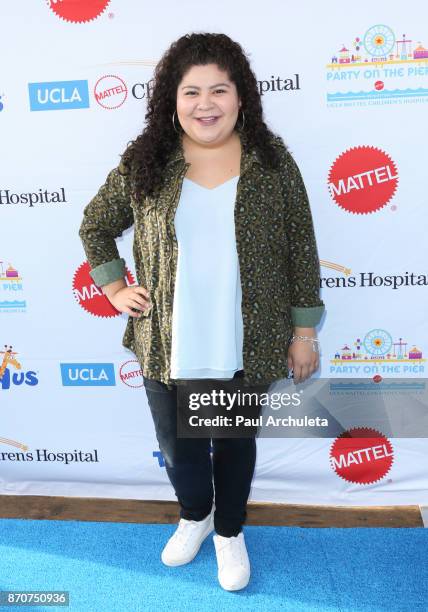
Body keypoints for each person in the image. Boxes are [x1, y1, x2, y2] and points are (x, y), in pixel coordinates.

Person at [79, 32, 325, 591]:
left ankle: (229, 532)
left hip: (243, 338)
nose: (205, 104)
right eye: (191, 92)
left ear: (242, 97)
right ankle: (196, 515)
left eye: (220, 89)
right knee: (180, 450)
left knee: (233, 449)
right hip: (169, 337)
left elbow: (301, 247)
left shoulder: (270, 161)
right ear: (172, 98)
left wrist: (304, 330)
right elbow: (96, 224)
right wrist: (115, 287)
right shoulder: (147, 161)